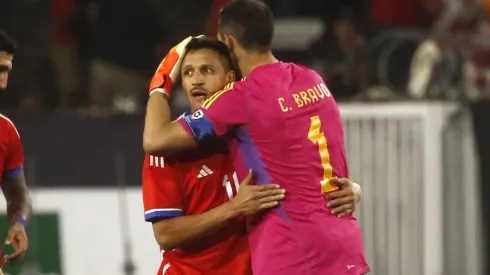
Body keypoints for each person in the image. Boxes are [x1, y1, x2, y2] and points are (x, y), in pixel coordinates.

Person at [142, 1, 370, 274]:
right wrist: (353, 188)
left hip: (292, 255)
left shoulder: (240, 99)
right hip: (342, 247)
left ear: (228, 44)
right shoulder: (313, 80)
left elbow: (155, 138)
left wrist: (161, 80)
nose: (196, 81)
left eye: (207, 70)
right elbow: (306, 157)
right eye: (189, 72)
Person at [0, 30, 32, 274]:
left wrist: (18, 222)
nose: (3, 83)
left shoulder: (6, 132)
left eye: (6, 71)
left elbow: (17, 194)